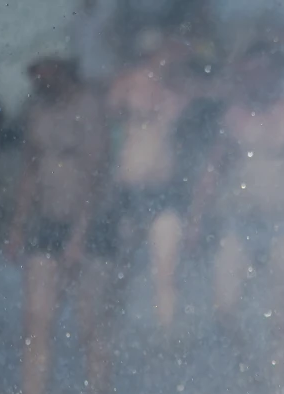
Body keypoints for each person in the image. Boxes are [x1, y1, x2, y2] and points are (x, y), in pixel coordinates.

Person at [190, 42, 284, 384]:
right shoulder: (234, 117)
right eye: (248, 73)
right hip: (240, 223)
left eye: (261, 72)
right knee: (224, 306)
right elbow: (213, 170)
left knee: (280, 307)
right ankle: (251, 368)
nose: (255, 80)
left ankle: (279, 385)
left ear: (275, 73)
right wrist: (195, 219)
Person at [5, 57, 115, 394]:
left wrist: (79, 235)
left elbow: (96, 174)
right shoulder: (37, 110)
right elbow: (29, 170)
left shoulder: (90, 107)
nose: (34, 76)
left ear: (61, 68)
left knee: (89, 324)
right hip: (46, 223)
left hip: (92, 226)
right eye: (31, 70)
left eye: (41, 69)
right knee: (37, 319)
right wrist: (17, 228)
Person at [107, 33, 194, 335]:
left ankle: (166, 342)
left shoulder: (180, 89)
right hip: (128, 189)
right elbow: (102, 121)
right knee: (120, 272)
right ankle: (110, 334)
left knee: (166, 272)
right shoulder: (128, 84)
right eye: (169, 51)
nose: (175, 57)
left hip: (164, 190)